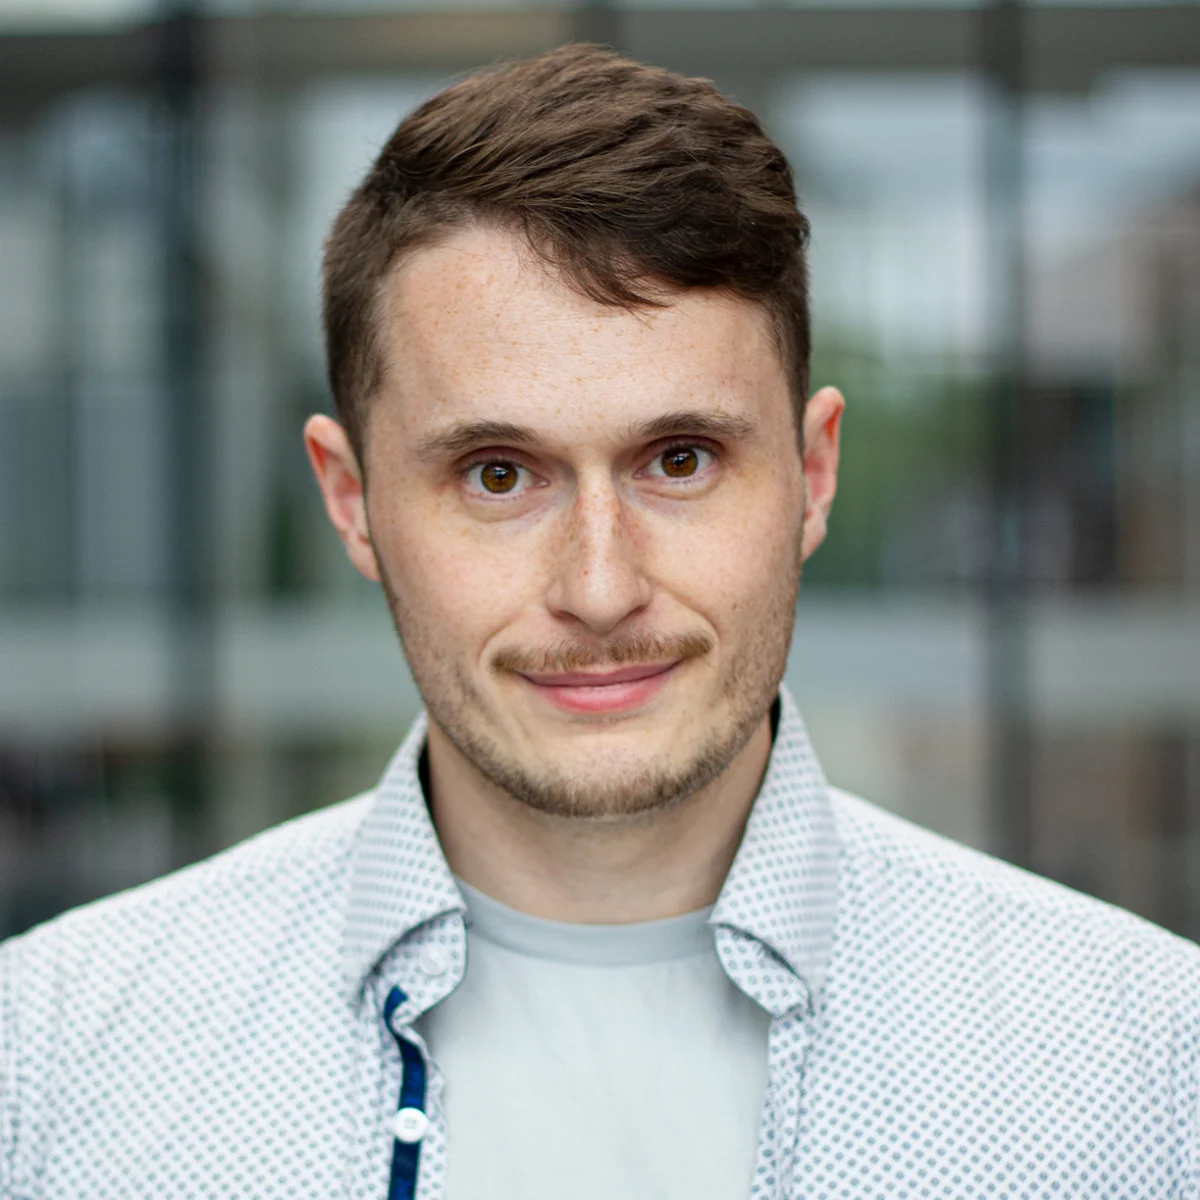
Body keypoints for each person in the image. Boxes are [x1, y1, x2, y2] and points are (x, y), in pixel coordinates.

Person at [2, 43, 1198, 1200]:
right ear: (352, 501)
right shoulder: (48, 1068)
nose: (599, 585)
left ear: (814, 473)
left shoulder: (1150, 1072)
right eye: (497, 475)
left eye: (678, 459)